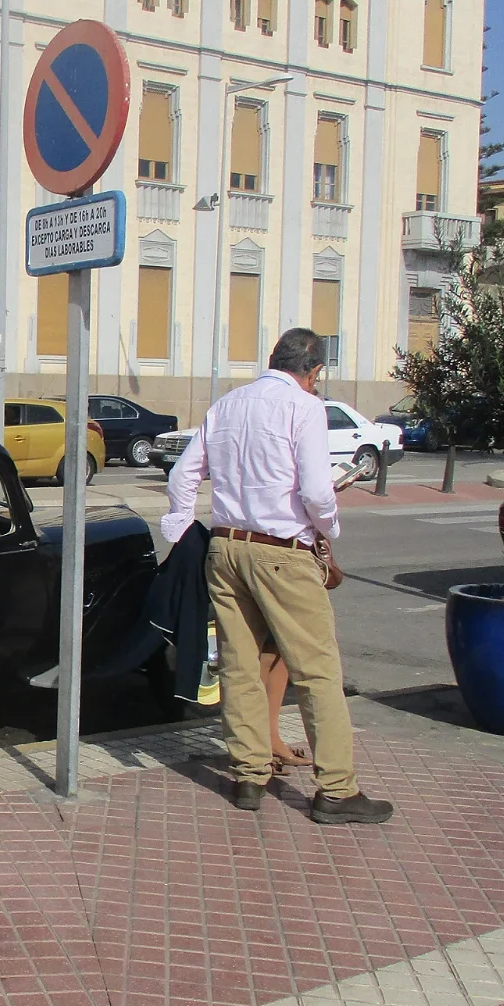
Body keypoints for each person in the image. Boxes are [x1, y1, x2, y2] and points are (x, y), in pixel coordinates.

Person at [160, 328, 391, 824]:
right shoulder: (304, 408)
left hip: (226, 547)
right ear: (314, 370)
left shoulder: (227, 404)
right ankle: (336, 789)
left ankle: (249, 774)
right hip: (282, 551)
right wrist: (327, 528)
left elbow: (183, 475)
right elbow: (316, 490)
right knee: (317, 670)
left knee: (238, 666)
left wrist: (180, 525)